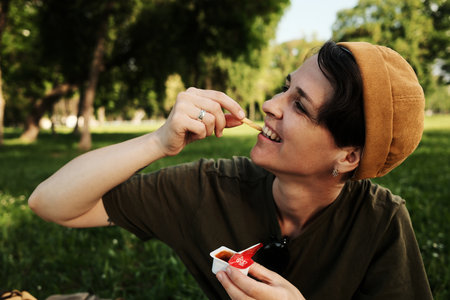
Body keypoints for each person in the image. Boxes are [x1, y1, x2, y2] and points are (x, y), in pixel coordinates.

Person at [28, 40, 433, 299]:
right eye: (286, 88)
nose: (272, 105)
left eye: (300, 105)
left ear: (348, 156)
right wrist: (156, 142)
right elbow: (52, 203)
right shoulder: (213, 186)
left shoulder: (381, 224)